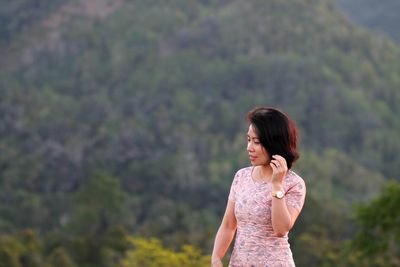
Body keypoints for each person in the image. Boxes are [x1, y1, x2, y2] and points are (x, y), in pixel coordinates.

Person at [211, 107, 306, 267]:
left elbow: (281, 229)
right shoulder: (242, 176)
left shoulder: (294, 184)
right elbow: (228, 224)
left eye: (257, 142)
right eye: (249, 140)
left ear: (275, 144)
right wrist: (216, 258)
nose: (249, 147)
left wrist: (276, 185)